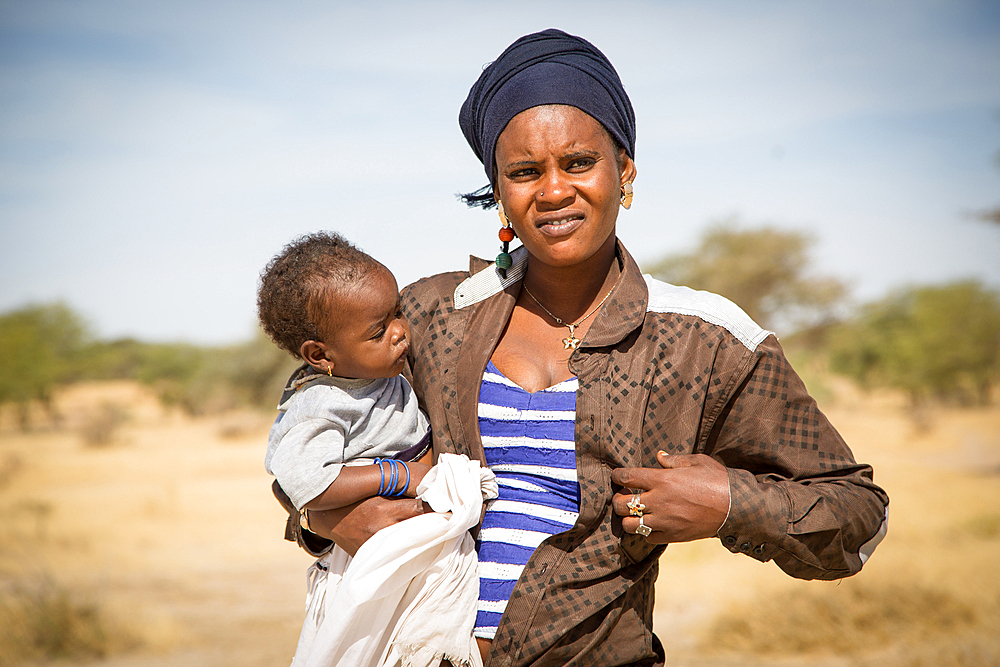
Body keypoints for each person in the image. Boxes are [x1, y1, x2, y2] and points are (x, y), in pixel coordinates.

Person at [300, 29, 890, 666]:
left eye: (578, 162)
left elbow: (857, 517)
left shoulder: (705, 341)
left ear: (625, 170)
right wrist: (324, 522)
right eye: (524, 172)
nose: (553, 191)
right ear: (498, 189)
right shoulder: (428, 316)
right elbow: (303, 439)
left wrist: (725, 505)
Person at [258, 231, 496, 667]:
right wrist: (399, 476)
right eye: (378, 330)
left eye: (396, 313)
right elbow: (306, 482)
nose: (401, 331)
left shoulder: (380, 375)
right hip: (371, 566)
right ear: (320, 354)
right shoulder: (324, 401)